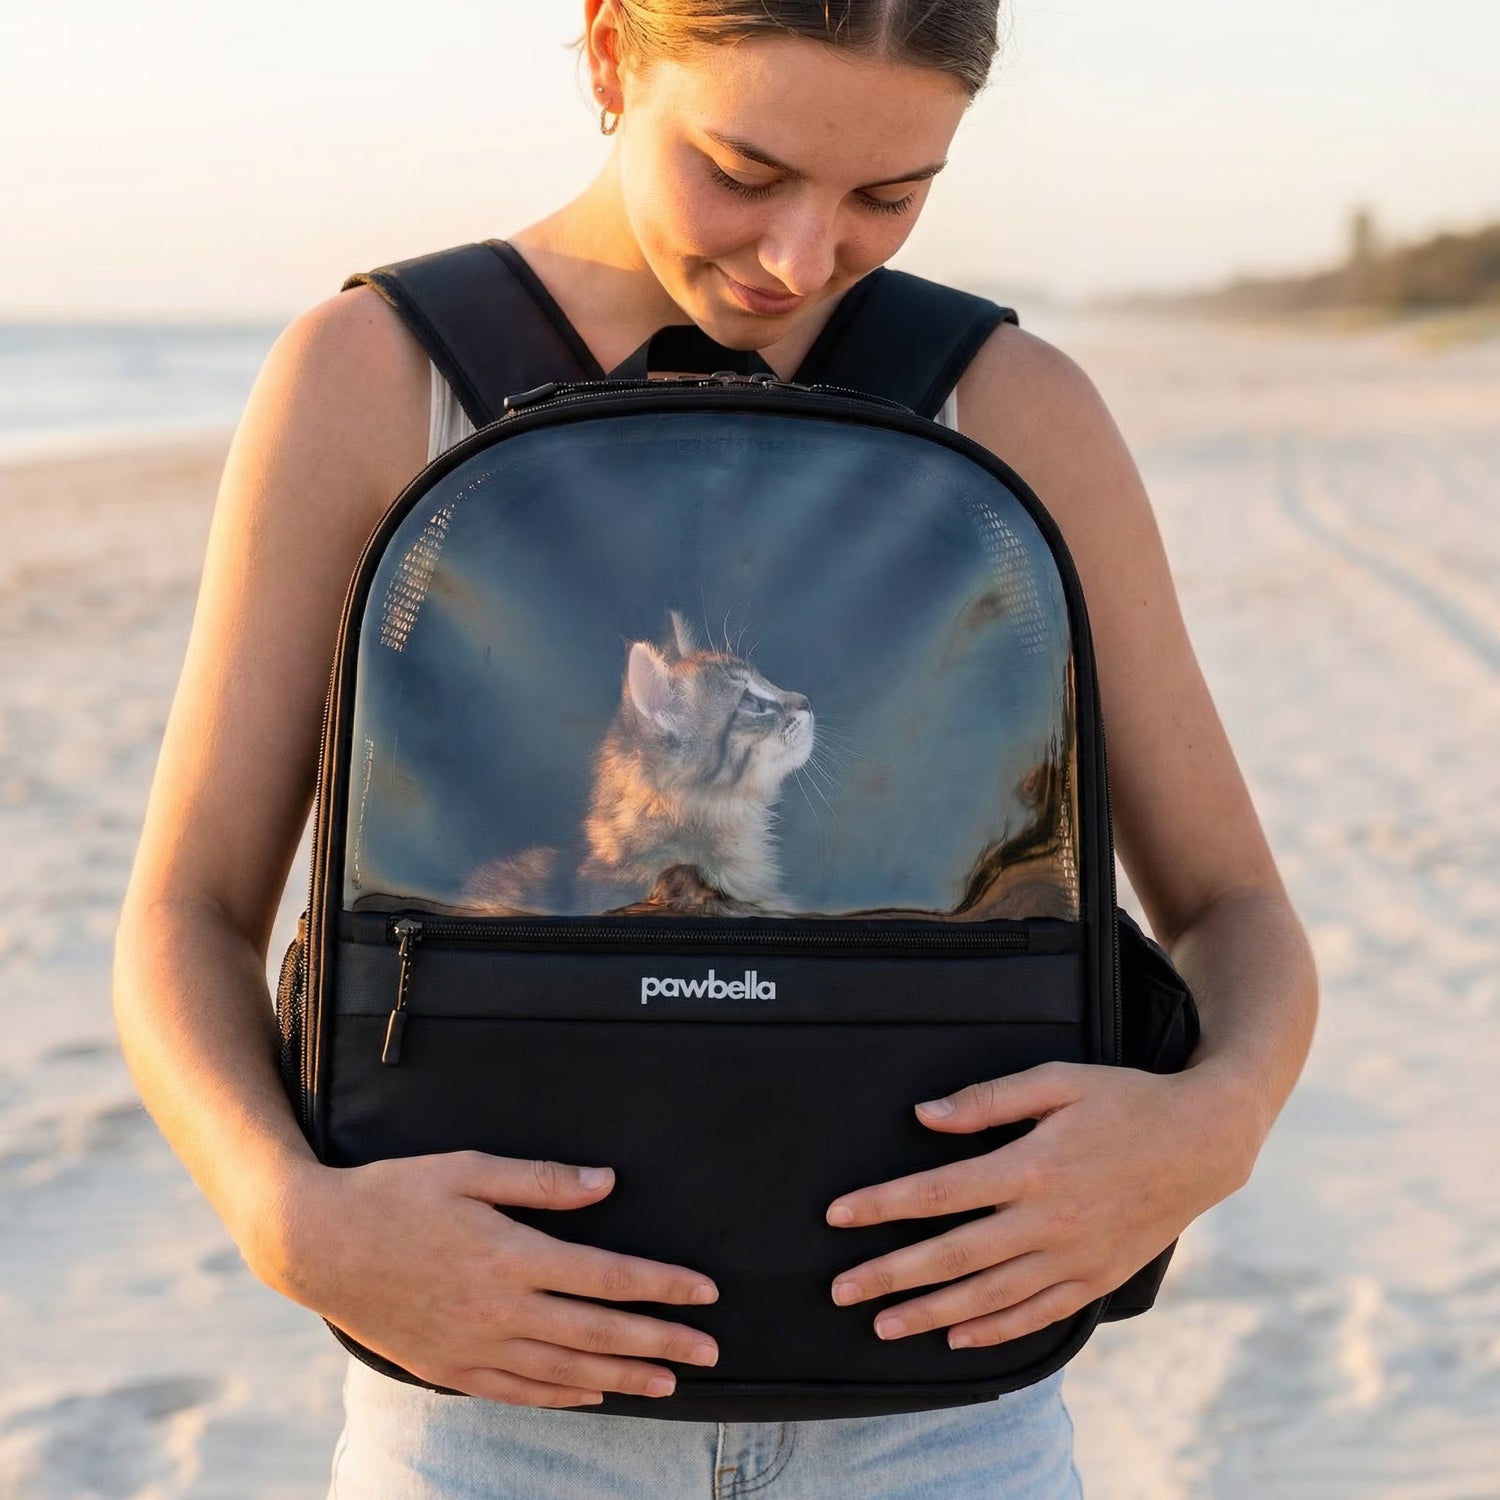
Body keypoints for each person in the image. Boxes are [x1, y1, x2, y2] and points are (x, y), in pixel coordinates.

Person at [111, 2, 1318, 1495]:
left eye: (890, 194)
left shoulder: (1014, 406)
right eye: (744, 169)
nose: (804, 258)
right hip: (491, 1419)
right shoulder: (373, 379)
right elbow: (189, 913)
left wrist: (1213, 1128)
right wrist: (286, 1219)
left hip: (940, 1426)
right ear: (614, 54)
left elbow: (1232, 910)